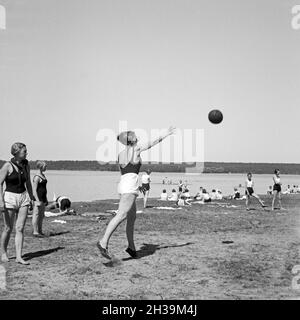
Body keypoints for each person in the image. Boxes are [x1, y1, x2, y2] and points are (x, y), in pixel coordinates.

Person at [97, 126, 176, 260]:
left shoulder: (120, 154)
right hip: (129, 186)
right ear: (130, 139)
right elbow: (152, 142)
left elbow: (125, 171)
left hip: (123, 184)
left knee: (131, 218)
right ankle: (103, 242)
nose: (136, 136)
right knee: (121, 215)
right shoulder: (136, 149)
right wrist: (166, 133)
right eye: (133, 135)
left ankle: (132, 248)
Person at [0, 142, 35, 265]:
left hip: (23, 197)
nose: (26, 153)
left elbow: (29, 183)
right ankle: (3, 252)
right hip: (9, 197)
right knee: (8, 228)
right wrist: (1, 201)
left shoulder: (26, 165)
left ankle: (19, 257)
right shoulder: (7, 166)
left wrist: (31, 198)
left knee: (20, 228)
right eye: (24, 151)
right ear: (17, 153)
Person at [32, 161, 48, 237]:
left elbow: (44, 188)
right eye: (45, 166)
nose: (46, 168)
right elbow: (34, 190)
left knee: (41, 215)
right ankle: (35, 231)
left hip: (43, 198)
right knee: (36, 215)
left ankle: (40, 231)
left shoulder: (43, 175)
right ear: (41, 167)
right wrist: (37, 200)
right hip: (38, 199)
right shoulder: (37, 177)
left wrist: (46, 199)